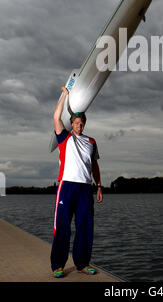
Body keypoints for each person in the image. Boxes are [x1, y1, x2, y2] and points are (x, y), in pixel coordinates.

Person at [50, 86, 103, 278]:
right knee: (62, 225)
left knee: (85, 226)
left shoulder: (91, 141)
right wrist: (64, 94)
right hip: (67, 186)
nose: (79, 126)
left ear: (84, 124)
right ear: (72, 124)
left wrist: (98, 186)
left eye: (81, 124)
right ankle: (58, 265)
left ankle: (82, 264)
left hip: (85, 188)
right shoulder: (64, 138)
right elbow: (56, 117)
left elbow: (94, 166)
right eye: (76, 123)